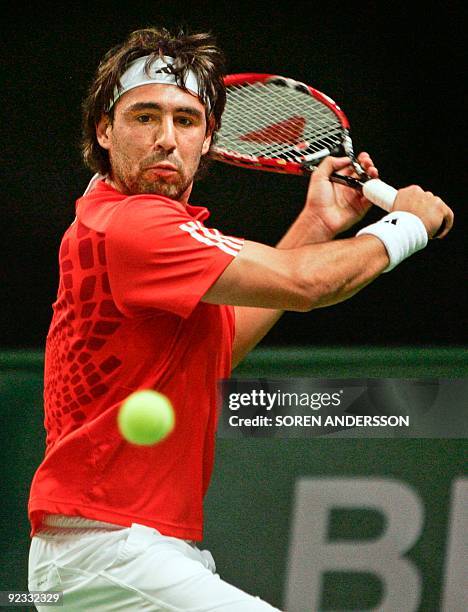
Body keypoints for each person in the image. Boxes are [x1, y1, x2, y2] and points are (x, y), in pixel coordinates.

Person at [27, 26, 453, 611]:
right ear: (105, 130)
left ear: (208, 140)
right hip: (108, 550)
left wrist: (315, 227)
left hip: (122, 551)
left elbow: (218, 350)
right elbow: (307, 284)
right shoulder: (135, 227)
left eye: (186, 120)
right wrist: (408, 225)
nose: (166, 139)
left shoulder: (116, 223)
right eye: (144, 117)